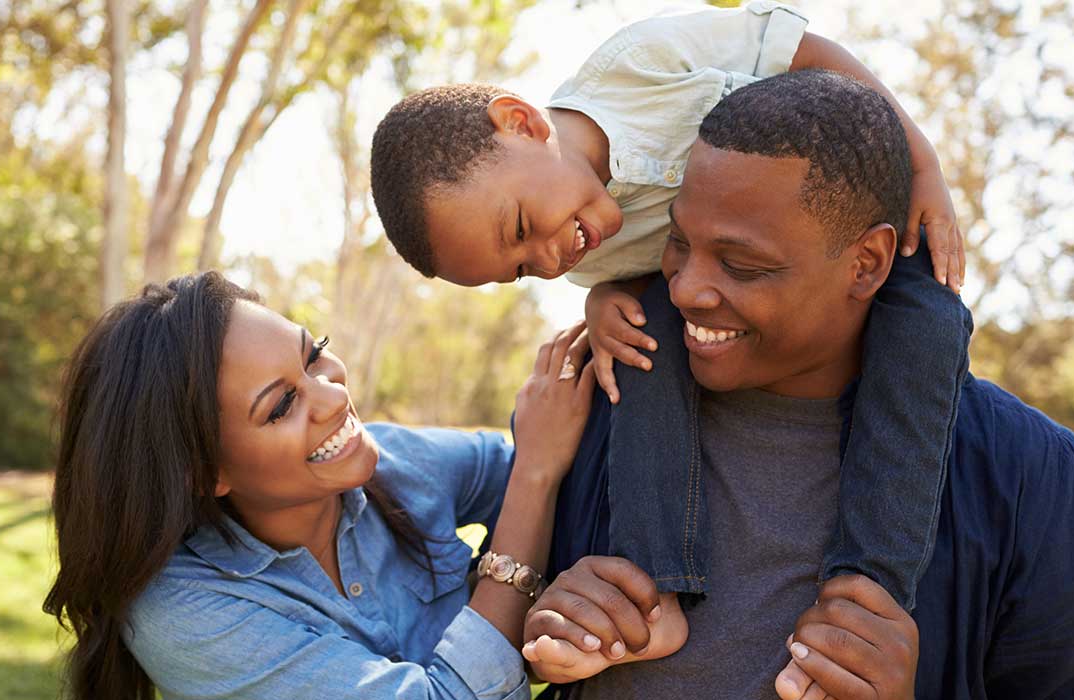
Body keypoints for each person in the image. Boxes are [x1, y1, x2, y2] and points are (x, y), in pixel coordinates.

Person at [369, 3, 971, 663]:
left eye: (519, 228)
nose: (547, 260)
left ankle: (867, 590)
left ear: (521, 123)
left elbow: (807, 53)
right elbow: (647, 277)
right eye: (518, 269)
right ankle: (656, 591)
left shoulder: (639, 66)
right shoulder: (585, 248)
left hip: (844, 232)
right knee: (638, 345)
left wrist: (920, 167)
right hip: (730, 300)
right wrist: (605, 299)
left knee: (932, 322)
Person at [521, 70, 1074, 699]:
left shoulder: (1024, 475)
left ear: (868, 263)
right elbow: (482, 637)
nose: (684, 290)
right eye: (678, 243)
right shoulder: (597, 400)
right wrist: (545, 627)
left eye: (743, 265)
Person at [42, 271, 603, 700]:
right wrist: (534, 477)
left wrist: (608, 303)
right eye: (283, 404)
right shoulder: (185, 613)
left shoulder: (395, 463)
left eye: (313, 356)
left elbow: (573, 472)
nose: (334, 396)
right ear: (203, 472)